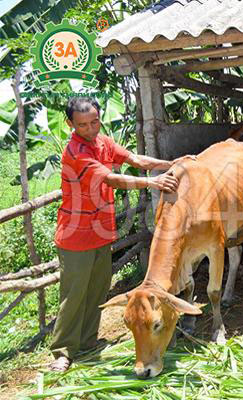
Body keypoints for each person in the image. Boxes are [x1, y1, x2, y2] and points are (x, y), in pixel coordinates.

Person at [49, 97, 193, 372]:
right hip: (75, 235)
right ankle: (63, 350)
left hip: (100, 231)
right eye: (83, 125)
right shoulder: (76, 152)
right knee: (74, 294)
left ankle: (89, 341)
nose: (91, 128)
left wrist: (171, 162)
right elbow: (110, 179)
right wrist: (152, 181)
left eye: (95, 122)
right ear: (70, 124)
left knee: (97, 289)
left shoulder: (102, 141)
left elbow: (134, 159)